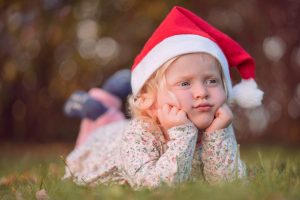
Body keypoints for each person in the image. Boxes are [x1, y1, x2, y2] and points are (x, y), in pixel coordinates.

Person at [63, 6, 264, 189]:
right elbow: (155, 186)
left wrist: (217, 135)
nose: (202, 92)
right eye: (185, 83)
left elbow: (230, 184)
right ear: (151, 99)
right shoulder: (139, 134)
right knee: (101, 121)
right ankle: (101, 103)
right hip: (104, 142)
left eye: (212, 81)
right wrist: (182, 134)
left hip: (120, 132)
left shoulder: (218, 124)